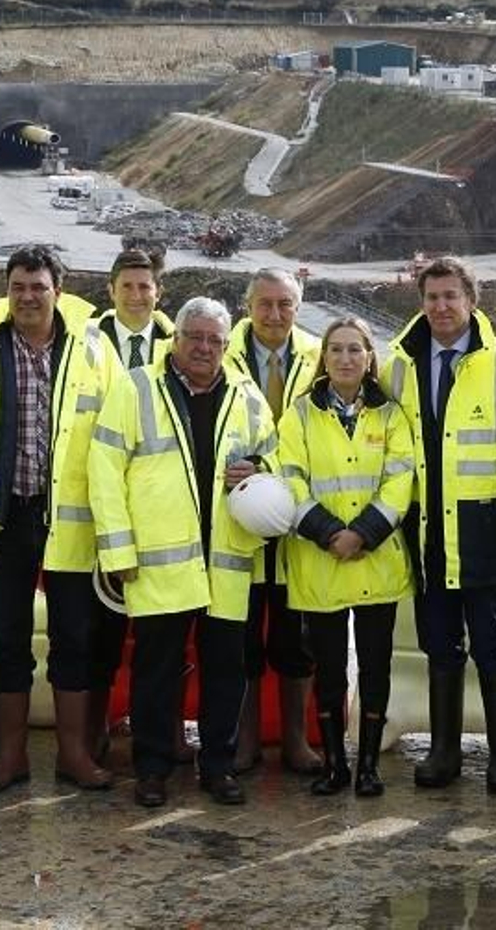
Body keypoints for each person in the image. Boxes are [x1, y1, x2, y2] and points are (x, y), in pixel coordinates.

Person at [0, 246, 119, 793]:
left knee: (76, 637)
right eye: (18, 287)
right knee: (3, 636)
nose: (27, 297)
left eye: (38, 287)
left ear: (57, 292)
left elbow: (114, 443)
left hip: (71, 521)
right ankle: (9, 754)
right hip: (3, 520)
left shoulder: (93, 352)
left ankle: (73, 753)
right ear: (6, 293)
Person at [89, 297, 278, 809]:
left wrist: (261, 463)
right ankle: (152, 769)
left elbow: (276, 454)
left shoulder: (244, 393)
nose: (204, 347)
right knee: (155, 670)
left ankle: (217, 765)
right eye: (195, 336)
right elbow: (104, 469)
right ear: (177, 339)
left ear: (225, 344)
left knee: (226, 670)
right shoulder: (136, 387)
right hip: (158, 560)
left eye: (215, 340)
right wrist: (117, 549)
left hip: (227, 560)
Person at [381, 256, 496, 794]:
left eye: (451, 296)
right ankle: (444, 751)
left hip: (486, 529)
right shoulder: (397, 364)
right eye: (431, 297)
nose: (441, 307)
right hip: (426, 528)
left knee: (493, 644)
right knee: (439, 643)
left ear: (472, 301)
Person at [277, 317, 414, 797]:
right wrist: (330, 532)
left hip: (376, 560)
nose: (345, 359)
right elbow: (289, 478)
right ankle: (336, 765)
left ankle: (369, 765)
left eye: (355, 349)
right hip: (321, 561)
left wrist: (364, 533)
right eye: (335, 349)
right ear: (324, 357)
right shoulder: (299, 415)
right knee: (330, 669)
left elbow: (401, 480)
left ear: (369, 357)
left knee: (376, 667)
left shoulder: (391, 415)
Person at [223, 267, 322, 775]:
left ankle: (295, 739)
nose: (275, 314)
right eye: (265, 304)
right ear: (248, 307)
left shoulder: (319, 355)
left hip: (299, 522)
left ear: (297, 307)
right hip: (238, 518)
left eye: (285, 304)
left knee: (295, 637)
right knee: (241, 636)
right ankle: (243, 741)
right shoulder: (222, 352)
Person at [83, 248, 178, 762]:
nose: (137, 296)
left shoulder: (179, 343)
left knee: (166, 633)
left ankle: (164, 732)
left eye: (146, 288)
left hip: (163, 507)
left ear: (157, 293)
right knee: (103, 630)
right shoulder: (88, 345)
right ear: (111, 291)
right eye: (128, 287)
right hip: (104, 499)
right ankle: (97, 725)